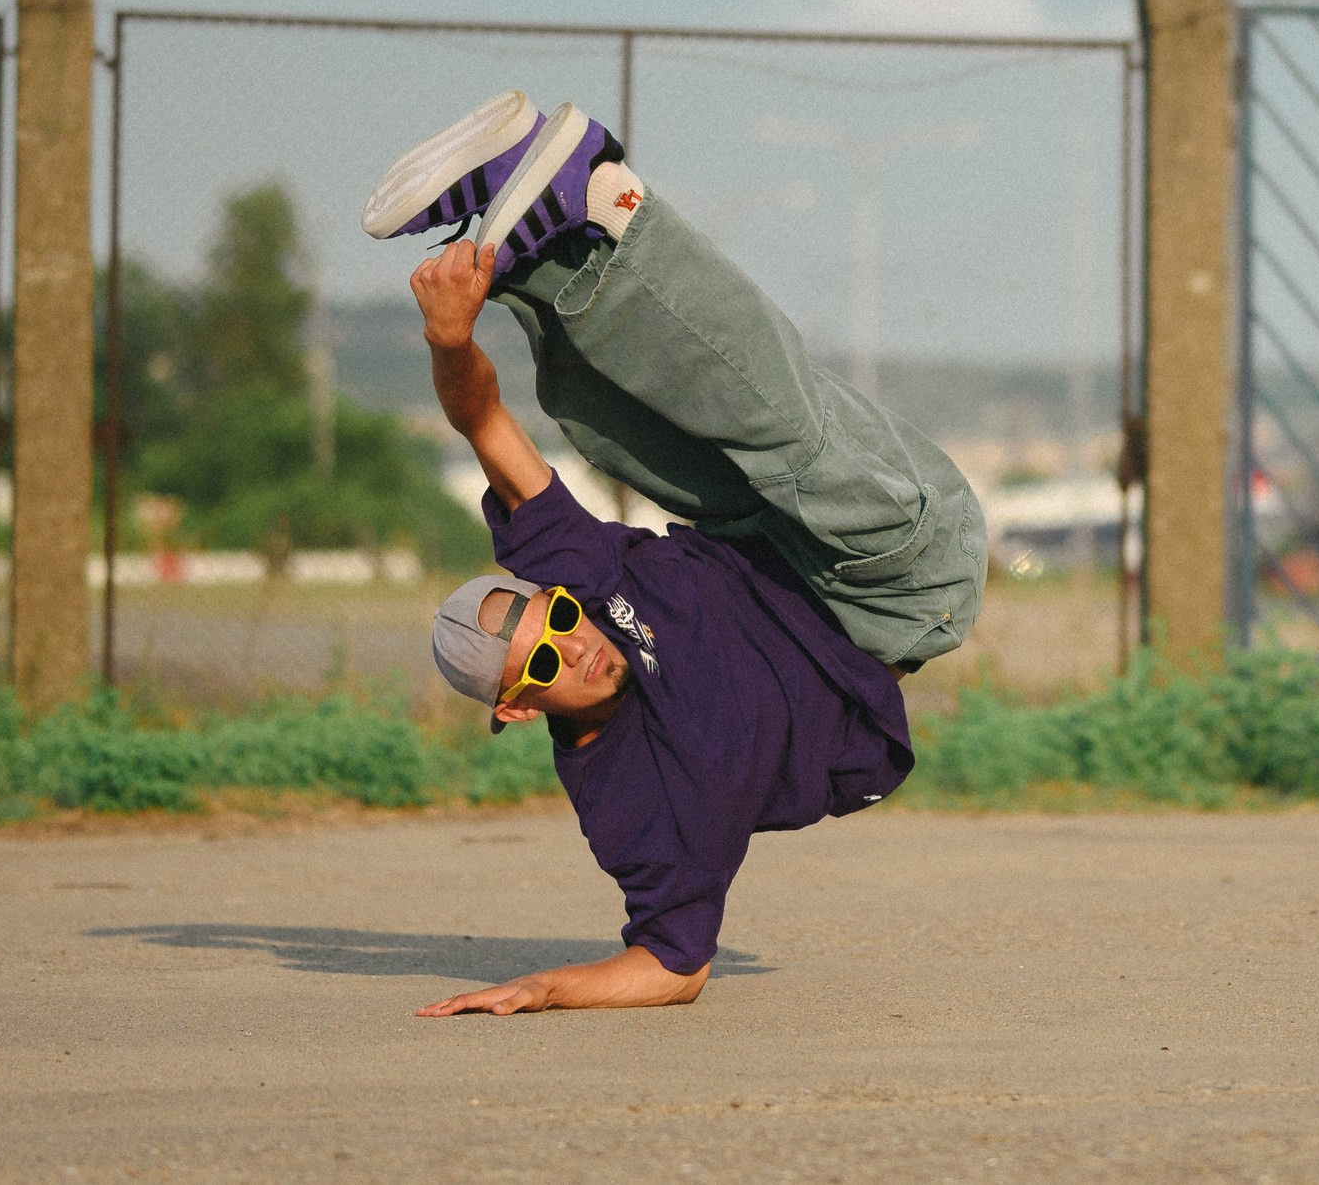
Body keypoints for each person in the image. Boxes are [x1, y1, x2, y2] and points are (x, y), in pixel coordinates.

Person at [361, 91, 987, 1017]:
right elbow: (673, 964)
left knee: (603, 426)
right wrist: (546, 987)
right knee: (787, 440)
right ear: (520, 707)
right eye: (544, 658)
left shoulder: (583, 583)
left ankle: (528, 256)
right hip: (902, 583)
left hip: (767, 541)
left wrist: (448, 333)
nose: (574, 642)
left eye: (558, 618)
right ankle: (606, 199)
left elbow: (485, 422)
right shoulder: (634, 810)